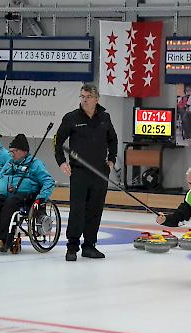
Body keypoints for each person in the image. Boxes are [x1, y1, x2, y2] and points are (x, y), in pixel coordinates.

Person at [54, 83, 117, 262]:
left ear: (96, 99)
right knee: (78, 209)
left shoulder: (105, 117)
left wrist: (111, 159)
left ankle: (89, 246)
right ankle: (72, 247)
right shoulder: (71, 117)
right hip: (79, 172)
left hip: (100, 172)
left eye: (88, 97)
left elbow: (113, 140)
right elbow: (57, 142)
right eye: (82, 96)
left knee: (95, 210)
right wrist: (61, 162)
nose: (84, 100)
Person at [0, 134, 55, 252]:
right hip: (6, 194)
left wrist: (41, 198)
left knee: (10, 203)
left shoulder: (35, 164)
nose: (12, 154)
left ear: (23, 151)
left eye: (14, 151)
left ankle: (2, 239)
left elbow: (49, 181)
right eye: (11, 151)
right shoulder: (10, 163)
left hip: (25, 196)